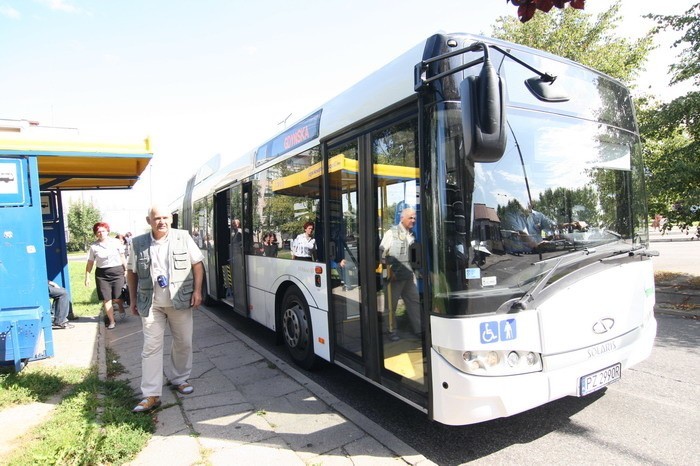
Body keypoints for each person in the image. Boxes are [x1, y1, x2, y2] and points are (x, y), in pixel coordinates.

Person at [127, 205, 204, 413]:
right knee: (151, 346)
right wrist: (132, 299)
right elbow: (131, 272)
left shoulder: (183, 237)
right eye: (156, 218)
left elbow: (197, 264)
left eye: (165, 218)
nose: (161, 222)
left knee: (183, 342)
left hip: (180, 300)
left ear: (171, 219)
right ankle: (151, 394)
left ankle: (179, 378)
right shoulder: (138, 243)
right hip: (151, 303)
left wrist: (197, 291)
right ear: (148, 220)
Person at [379, 207, 421, 341]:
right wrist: (388, 272)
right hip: (394, 277)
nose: (413, 220)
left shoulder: (412, 234)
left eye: (414, 218)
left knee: (414, 301)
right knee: (391, 306)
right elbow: (381, 254)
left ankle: (419, 330)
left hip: (408, 276)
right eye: (410, 218)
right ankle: (391, 330)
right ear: (402, 218)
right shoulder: (391, 233)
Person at [85, 222, 127, 329]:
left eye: (103, 231)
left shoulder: (116, 242)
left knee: (117, 297)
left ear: (107, 231)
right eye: (98, 232)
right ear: (96, 234)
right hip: (102, 275)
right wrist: (87, 276)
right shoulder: (94, 247)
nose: (101, 233)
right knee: (106, 299)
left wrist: (126, 269)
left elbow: (122, 257)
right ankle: (112, 321)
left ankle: (120, 306)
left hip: (117, 271)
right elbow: (90, 262)